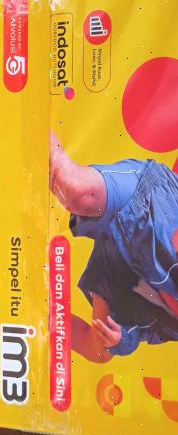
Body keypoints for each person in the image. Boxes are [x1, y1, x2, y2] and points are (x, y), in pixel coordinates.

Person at [49, 131, 178, 362]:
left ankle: (34, 315)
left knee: (99, 350)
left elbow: (146, 332)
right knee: (75, 190)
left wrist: (120, 340)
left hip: (122, 270)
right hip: (147, 202)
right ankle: (25, 119)